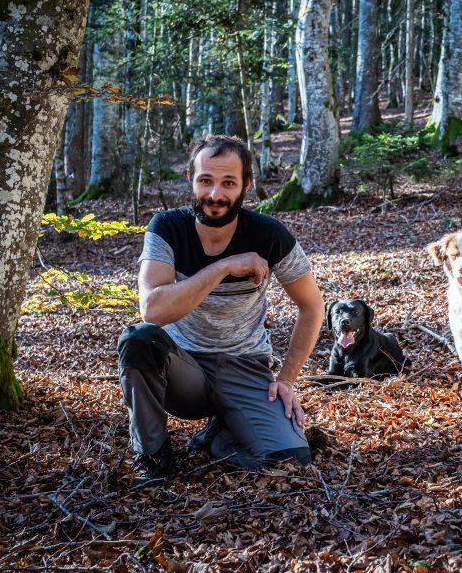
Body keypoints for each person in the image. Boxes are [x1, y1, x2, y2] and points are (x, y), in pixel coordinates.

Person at [117, 134, 324, 482]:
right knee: (139, 339)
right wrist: (223, 267)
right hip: (183, 371)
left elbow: (312, 305)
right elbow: (152, 310)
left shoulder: (269, 234)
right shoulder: (168, 228)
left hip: (245, 368)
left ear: (246, 185)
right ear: (190, 179)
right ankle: (153, 457)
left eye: (228, 183)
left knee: (291, 461)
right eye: (205, 181)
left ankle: (216, 438)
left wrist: (287, 379)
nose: (215, 195)